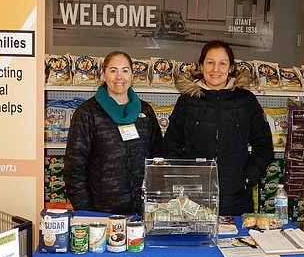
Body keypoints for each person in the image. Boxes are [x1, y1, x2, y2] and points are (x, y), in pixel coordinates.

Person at [163, 40, 274, 215]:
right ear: (201, 65)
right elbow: (171, 146)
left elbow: (264, 146)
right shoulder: (187, 101)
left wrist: (247, 178)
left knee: (235, 242)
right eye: (210, 62)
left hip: (236, 197)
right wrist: (183, 179)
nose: (216, 69)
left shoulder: (246, 101)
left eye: (222, 63)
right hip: (194, 198)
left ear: (230, 68)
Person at [65, 51, 163, 214]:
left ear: (132, 75)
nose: (119, 77)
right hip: (102, 212)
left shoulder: (145, 111)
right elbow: (74, 167)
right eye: (113, 70)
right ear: (103, 74)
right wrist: (87, 212)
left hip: (144, 211)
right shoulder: (87, 113)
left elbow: (158, 159)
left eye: (125, 70)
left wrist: (156, 202)